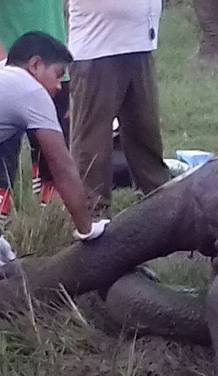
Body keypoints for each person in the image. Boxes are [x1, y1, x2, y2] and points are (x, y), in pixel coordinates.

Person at [0, 32, 109, 266]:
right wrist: (86, 229)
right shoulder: (30, 90)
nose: (60, 86)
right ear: (35, 65)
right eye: (58, 75)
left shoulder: (4, 74)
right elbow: (62, 166)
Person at [68, 0, 171, 217]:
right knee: (92, 138)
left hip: (140, 45)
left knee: (145, 131)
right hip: (98, 47)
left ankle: (159, 202)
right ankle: (92, 213)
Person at [0, 0, 70, 205]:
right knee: (5, 154)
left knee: (55, 152)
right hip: (15, 68)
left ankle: (50, 214)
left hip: (54, 67)